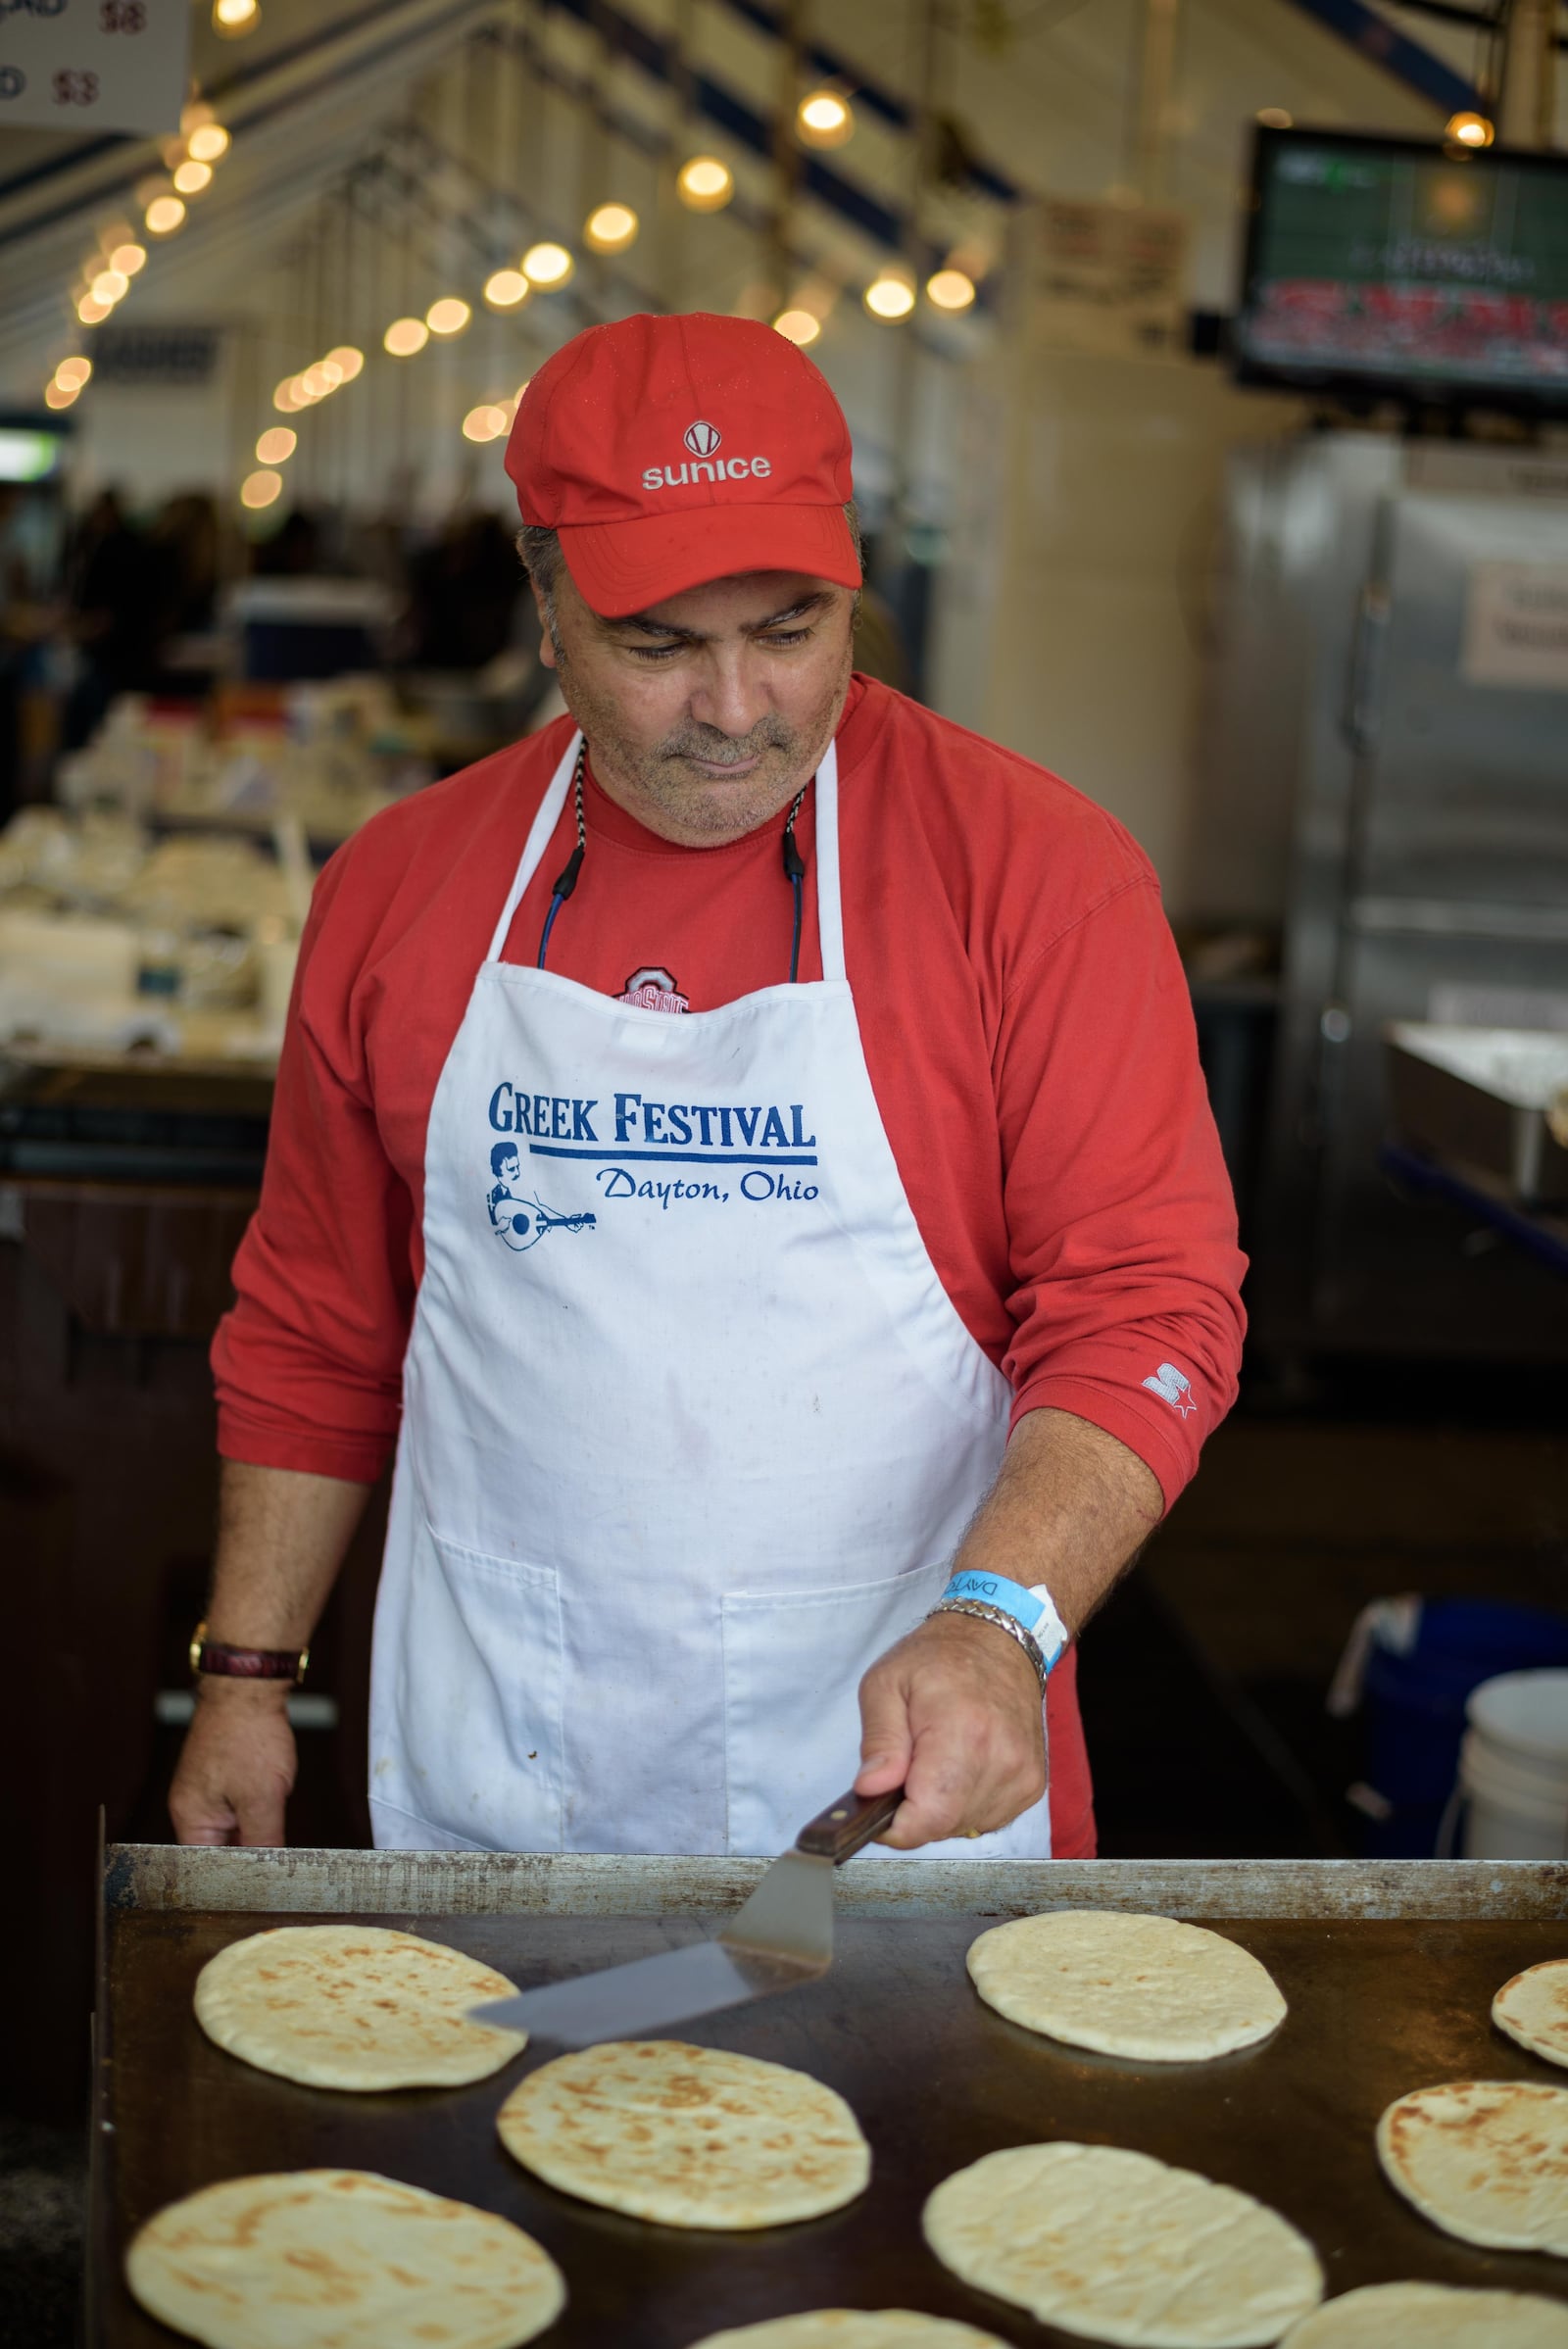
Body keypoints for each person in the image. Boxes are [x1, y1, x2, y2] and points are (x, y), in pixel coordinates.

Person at [172, 313, 1246, 1861]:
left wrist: (1003, 1622)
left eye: (793, 626)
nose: (738, 708)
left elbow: (1150, 1308)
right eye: (661, 642)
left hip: (901, 1786)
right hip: (506, 1769)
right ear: (544, 607)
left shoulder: (1036, 876)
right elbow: (319, 1325)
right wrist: (248, 1679)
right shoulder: (400, 891)